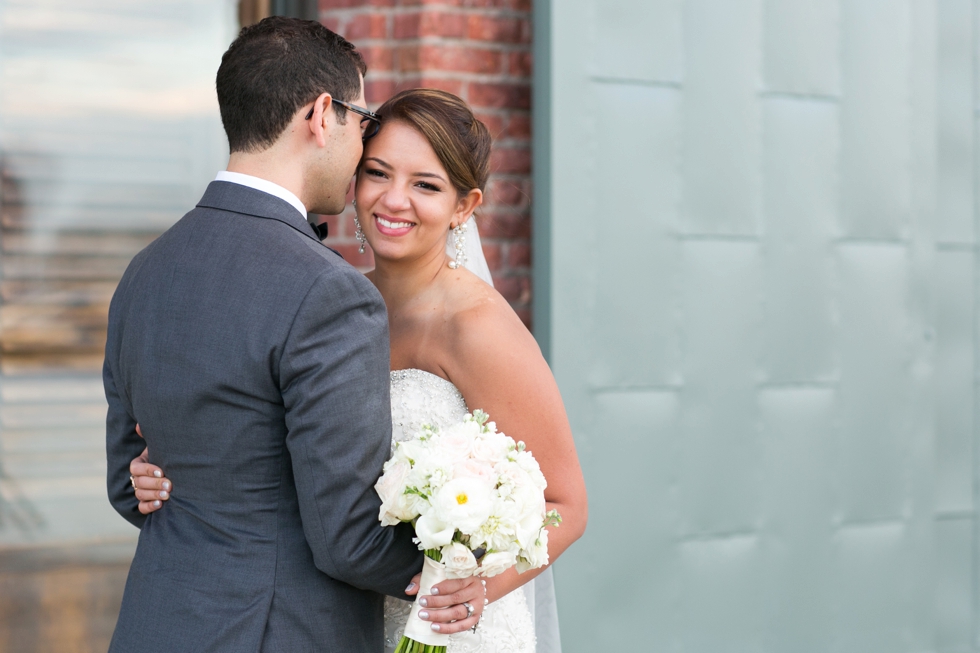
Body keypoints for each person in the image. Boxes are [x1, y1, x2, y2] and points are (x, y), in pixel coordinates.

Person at [131, 88, 588, 653]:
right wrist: (159, 468)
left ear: (464, 207)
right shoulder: (333, 306)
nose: (394, 200)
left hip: (451, 626)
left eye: (426, 185)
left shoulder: (476, 326)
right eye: (378, 173)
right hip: (339, 620)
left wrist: (476, 589)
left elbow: (566, 504)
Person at [104, 18, 485, 653]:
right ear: (321, 114)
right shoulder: (328, 291)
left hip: (155, 625)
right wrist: (459, 561)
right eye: (362, 121)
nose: (363, 144)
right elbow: (348, 539)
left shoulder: (146, 270)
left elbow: (128, 482)